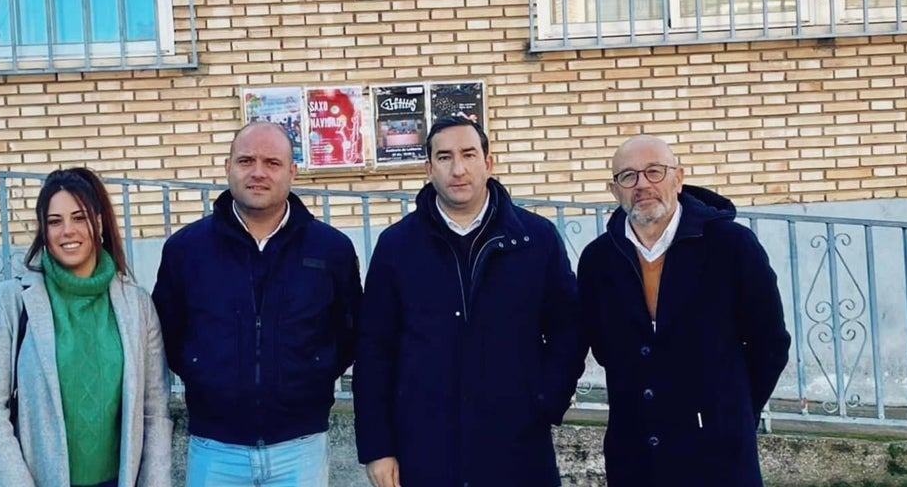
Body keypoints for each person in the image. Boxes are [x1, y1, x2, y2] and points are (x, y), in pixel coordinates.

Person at [354, 116, 583, 487]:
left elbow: (568, 329)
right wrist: (377, 447)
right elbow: (374, 350)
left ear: (488, 163)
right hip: (424, 448)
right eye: (444, 157)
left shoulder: (535, 239)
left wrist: (547, 401)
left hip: (517, 447)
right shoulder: (398, 246)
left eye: (468, 154)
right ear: (429, 169)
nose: (457, 169)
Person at [152, 121, 362, 487]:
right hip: (214, 448)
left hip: (301, 447)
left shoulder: (331, 250)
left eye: (272, 162)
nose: (258, 172)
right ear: (228, 167)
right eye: (246, 160)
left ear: (293, 171)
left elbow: (349, 332)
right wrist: (203, 373)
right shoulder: (186, 250)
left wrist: (313, 372)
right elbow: (167, 333)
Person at [577, 136, 791, 486]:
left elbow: (770, 343)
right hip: (635, 458)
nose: (642, 184)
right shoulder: (598, 260)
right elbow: (603, 348)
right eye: (628, 176)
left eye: (654, 172)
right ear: (614, 190)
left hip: (718, 458)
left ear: (678, 178)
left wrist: (730, 412)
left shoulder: (731, 246)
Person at [0, 167, 173, 487]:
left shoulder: (138, 307)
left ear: (100, 223)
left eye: (79, 218)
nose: (67, 231)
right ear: (44, 230)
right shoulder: (8, 304)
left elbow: (155, 413)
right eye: (55, 221)